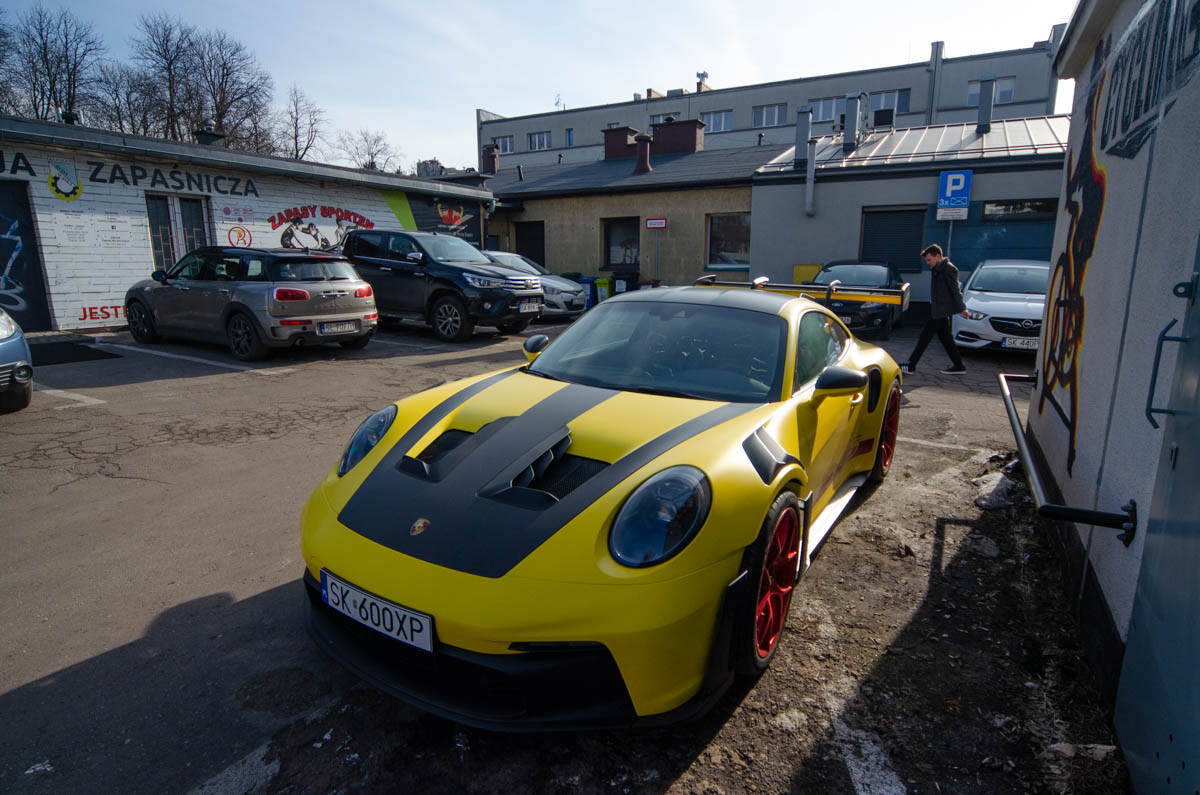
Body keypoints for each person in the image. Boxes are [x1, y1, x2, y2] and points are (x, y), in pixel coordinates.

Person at [903, 244, 969, 374]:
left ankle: (911, 365)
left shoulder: (949, 269)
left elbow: (955, 291)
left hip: (941, 311)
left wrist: (962, 308)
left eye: (929, 260)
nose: (928, 263)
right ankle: (959, 366)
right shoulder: (938, 268)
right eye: (926, 260)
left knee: (925, 336)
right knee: (946, 339)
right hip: (938, 310)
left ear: (938, 256)